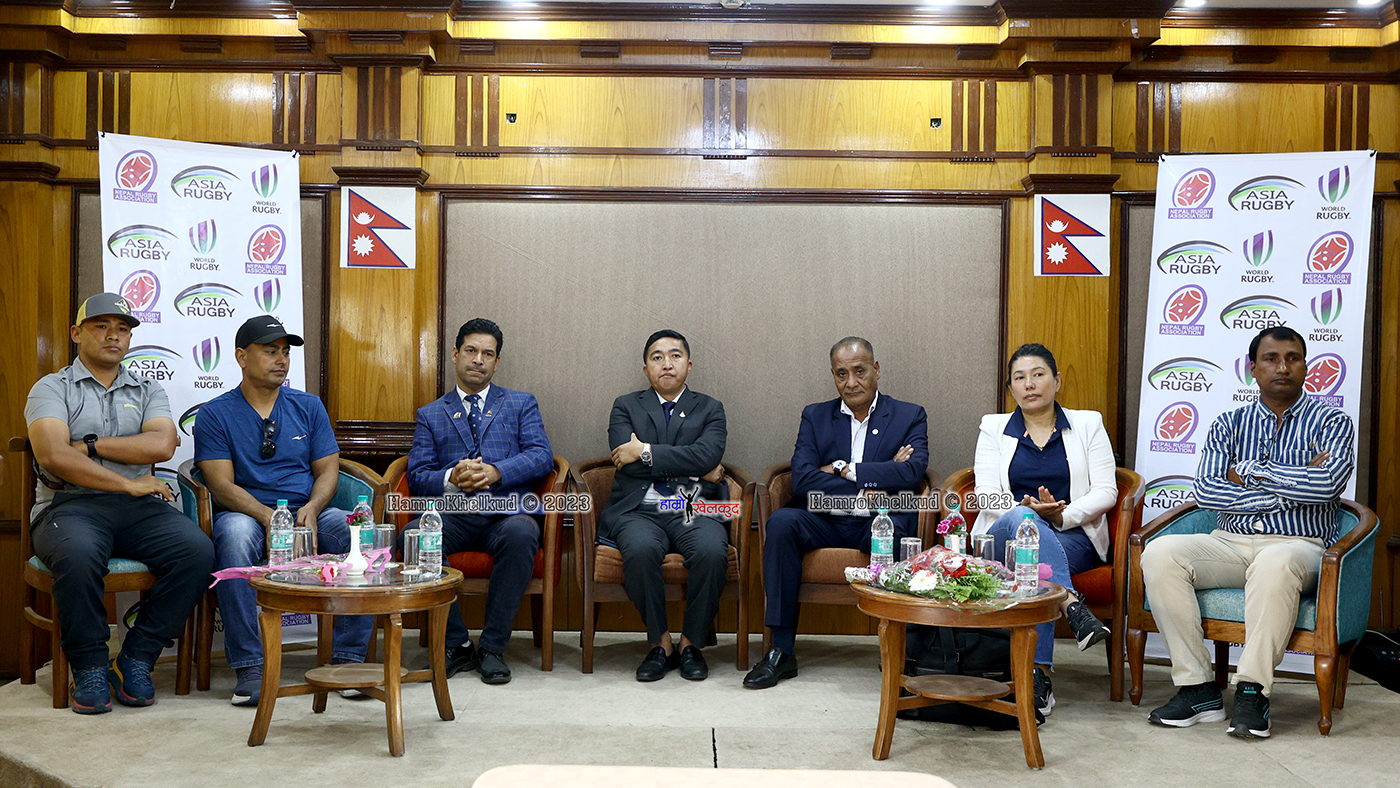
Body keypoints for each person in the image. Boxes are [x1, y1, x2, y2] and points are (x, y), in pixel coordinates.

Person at [1142, 327, 1354, 740]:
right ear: (1252, 368)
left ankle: (1253, 690)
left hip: (1299, 546)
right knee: (1160, 553)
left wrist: (1251, 472)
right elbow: (1208, 491)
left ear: (1306, 367)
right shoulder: (1229, 423)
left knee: (1274, 562)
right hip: (1228, 543)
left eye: (1293, 358)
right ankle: (1198, 688)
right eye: (1271, 359)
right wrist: (1289, 488)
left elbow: (1327, 485)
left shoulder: (1332, 421)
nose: (1282, 367)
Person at [25, 293, 214, 714]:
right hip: (68, 506)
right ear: (76, 333)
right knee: (77, 555)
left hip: (138, 510)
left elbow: (162, 444)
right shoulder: (51, 387)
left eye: (123, 329)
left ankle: (136, 657)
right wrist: (127, 482)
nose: (114, 335)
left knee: (197, 551)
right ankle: (89, 665)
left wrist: (90, 446)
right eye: (101, 326)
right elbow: (53, 455)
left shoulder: (147, 389)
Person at [194, 315, 372, 707]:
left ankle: (348, 660)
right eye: (270, 351)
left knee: (357, 532)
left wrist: (312, 507)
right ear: (242, 357)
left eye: (285, 352)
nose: (281, 360)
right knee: (233, 536)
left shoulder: (308, 406)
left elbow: (328, 470)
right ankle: (251, 667)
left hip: (306, 512)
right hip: (248, 513)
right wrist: (269, 517)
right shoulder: (215, 414)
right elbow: (220, 485)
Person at [745, 336, 929, 689]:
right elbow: (802, 479)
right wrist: (879, 475)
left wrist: (844, 469)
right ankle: (780, 651)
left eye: (859, 371)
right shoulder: (815, 416)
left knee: (897, 530)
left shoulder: (909, 415)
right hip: (823, 517)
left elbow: (911, 473)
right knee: (781, 522)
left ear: (876, 370)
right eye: (841, 374)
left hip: (879, 518)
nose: (851, 382)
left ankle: (901, 649)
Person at [969, 343, 1117, 716]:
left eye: (1038, 375)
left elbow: (1107, 490)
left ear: (1057, 380)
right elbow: (985, 495)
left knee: (1034, 561)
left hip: (1071, 536)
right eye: (1020, 378)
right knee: (1024, 522)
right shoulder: (993, 427)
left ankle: (1039, 677)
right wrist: (1028, 512)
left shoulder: (1088, 424)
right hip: (1004, 534)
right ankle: (1071, 606)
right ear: (1011, 388)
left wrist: (1060, 516)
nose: (1030, 384)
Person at [405, 318, 553, 685]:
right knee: (415, 536)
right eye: (471, 351)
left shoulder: (520, 404)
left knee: (522, 532)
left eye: (488, 354)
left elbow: (541, 457)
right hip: (453, 514)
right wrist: (451, 478)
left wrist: (495, 472)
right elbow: (418, 475)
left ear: (497, 362)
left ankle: (492, 648)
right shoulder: (431, 413)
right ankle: (456, 644)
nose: (478, 359)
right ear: (456, 355)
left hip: (506, 513)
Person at [601, 329, 729, 682]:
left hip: (696, 507)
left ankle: (690, 644)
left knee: (711, 551)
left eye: (675, 356)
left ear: (689, 365)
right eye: (657, 357)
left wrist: (644, 451)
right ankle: (661, 644)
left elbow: (708, 454)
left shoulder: (711, 408)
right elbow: (623, 461)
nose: (667, 364)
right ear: (646, 369)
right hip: (639, 508)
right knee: (640, 550)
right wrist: (696, 467)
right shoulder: (625, 406)